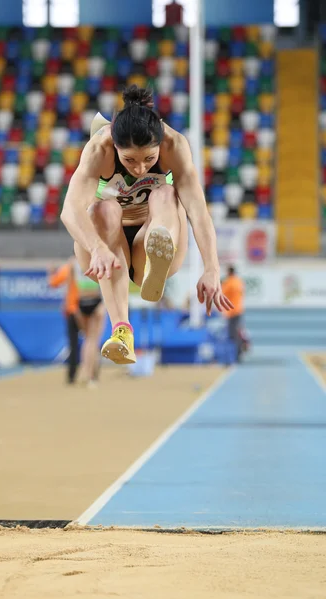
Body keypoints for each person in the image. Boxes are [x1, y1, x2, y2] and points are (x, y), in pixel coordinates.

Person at [60, 85, 233, 365]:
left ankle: (157, 253)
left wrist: (211, 269)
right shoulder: (98, 149)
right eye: (129, 160)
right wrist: (97, 247)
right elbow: (70, 210)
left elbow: (199, 213)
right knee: (104, 209)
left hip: (150, 234)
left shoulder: (174, 146)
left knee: (166, 193)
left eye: (149, 159)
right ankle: (121, 332)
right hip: (107, 250)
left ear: (160, 145)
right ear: (115, 146)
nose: (140, 168)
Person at [49, 257, 105, 387]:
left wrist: (72, 306)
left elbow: (65, 284)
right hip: (94, 300)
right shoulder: (96, 257)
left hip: (80, 303)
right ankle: (92, 375)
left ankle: (87, 373)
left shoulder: (71, 264)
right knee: (93, 341)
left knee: (87, 341)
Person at [221, 265, 245, 361]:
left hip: (231, 311)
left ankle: (235, 354)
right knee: (237, 332)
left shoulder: (229, 283)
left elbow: (221, 293)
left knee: (232, 334)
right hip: (238, 309)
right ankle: (239, 352)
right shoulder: (239, 282)